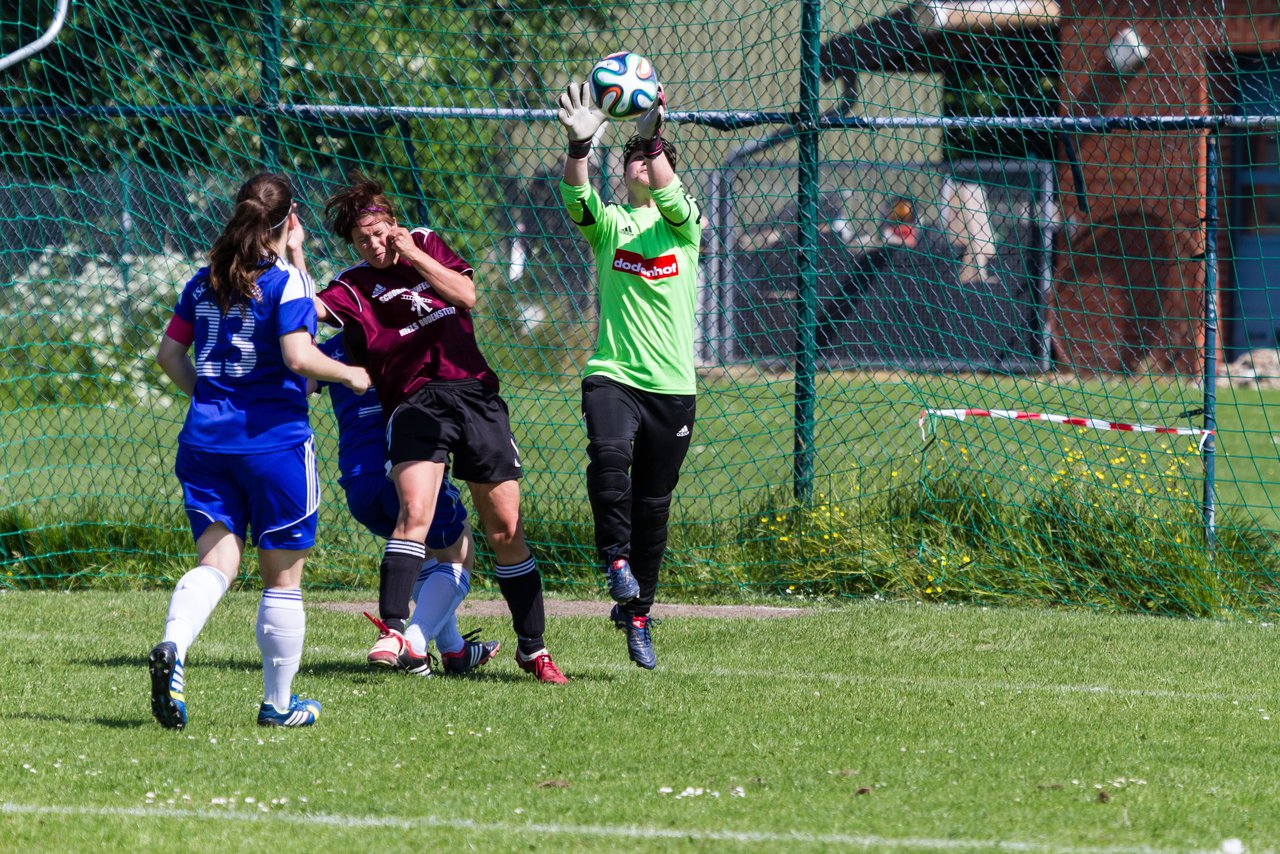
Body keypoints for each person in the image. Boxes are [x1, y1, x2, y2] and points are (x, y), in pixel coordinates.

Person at [313, 174, 567, 684]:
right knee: (418, 512)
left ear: (394, 225)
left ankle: (533, 649)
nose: (376, 245)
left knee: (504, 530)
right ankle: (394, 631)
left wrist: (415, 255)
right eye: (364, 240)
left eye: (382, 233)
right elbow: (306, 310)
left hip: (473, 394)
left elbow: (467, 295)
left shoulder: (425, 244)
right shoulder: (351, 287)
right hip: (414, 404)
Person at [149, 172, 371, 730]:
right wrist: (349, 373)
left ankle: (174, 646)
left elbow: (169, 356)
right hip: (273, 445)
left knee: (218, 562)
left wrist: (211, 397)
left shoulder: (203, 281)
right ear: (289, 217)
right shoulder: (285, 284)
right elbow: (299, 356)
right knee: (282, 581)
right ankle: (277, 705)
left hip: (204, 443)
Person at [556, 80, 701, 669]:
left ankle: (639, 614)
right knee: (609, 457)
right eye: (632, 157)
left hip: (672, 389)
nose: (637, 163)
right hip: (613, 375)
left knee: (654, 505)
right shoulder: (611, 225)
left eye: (645, 158)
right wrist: (580, 147)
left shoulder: (685, 226)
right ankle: (616, 562)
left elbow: (671, 193)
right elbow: (576, 201)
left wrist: (650, 135)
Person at [313, 332, 497, 676]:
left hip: (358, 483)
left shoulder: (333, 348)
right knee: (459, 552)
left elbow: (300, 377)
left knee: (420, 553)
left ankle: (455, 649)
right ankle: (412, 640)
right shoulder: (407, 338)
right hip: (402, 470)